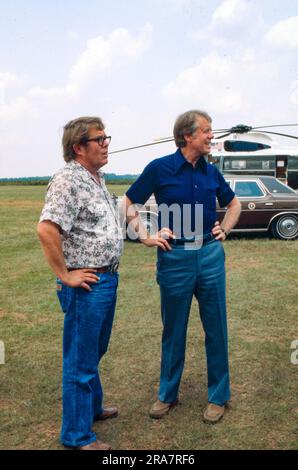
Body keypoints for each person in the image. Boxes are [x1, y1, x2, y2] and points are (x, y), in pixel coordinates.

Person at [124, 110, 241, 423]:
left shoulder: (211, 171)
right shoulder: (159, 168)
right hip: (174, 257)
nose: (210, 136)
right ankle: (167, 395)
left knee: (216, 327)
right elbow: (128, 203)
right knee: (173, 329)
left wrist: (225, 229)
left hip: (211, 255)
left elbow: (234, 204)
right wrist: (146, 237)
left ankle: (219, 397)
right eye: (206, 131)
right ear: (187, 136)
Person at [37, 116, 123, 450]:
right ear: (78, 147)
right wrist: (65, 274)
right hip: (86, 284)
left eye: (106, 138)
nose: (106, 144)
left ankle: (93, 408)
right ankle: (77, 436)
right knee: (80, 359)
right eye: (99, 139)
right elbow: (47, 229)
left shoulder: (96, 178)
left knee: (94, 351)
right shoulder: (68, 180)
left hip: (105, 279)